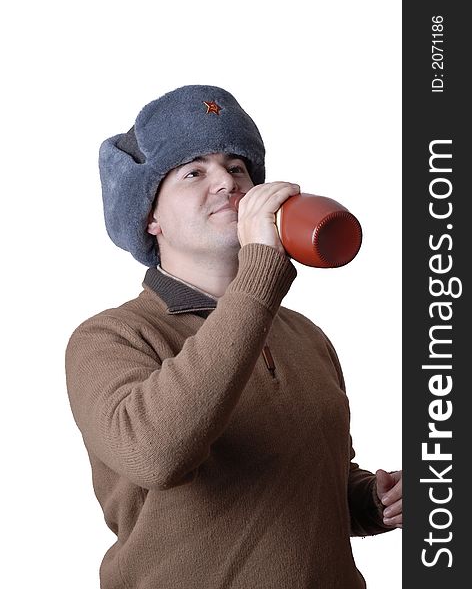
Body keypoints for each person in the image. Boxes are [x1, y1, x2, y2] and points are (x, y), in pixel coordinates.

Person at [65, 85, 402, 589]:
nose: (226, 182)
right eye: (194, 171)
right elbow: (155, 455)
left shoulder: (305, 336)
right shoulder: (111, 337)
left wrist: (369, 501)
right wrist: (260, 275)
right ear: (149, 217)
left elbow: (309, 482)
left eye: (238, 167)